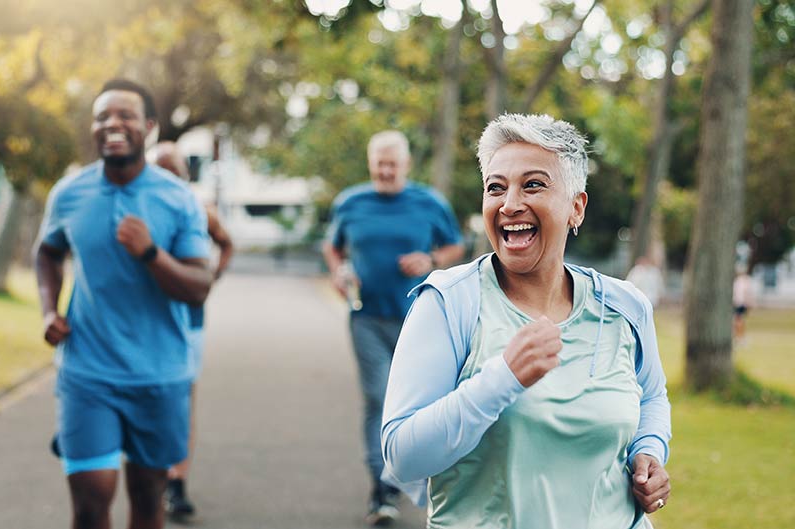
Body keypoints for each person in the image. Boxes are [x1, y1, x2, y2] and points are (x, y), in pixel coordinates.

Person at [381, 114, 672, 529]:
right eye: (495, 188)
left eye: (533, 184)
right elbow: (402, 456)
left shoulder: (625, 306)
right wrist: (502, 378)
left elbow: (651, 398)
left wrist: (649, 451)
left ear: (576, 207)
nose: (510, 203)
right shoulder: (450, 302)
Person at [34, 79, 213, 529]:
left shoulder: (177, 200)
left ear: (148, 127)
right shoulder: (69, 194)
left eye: (125, 115)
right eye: (102, 117)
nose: (113, 124)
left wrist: (151, 254)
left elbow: (198, 285)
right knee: (92, 501)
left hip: (159, 375)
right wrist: (49, 309)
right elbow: (48, 251)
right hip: (87, 373)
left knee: (148, 498)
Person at [322, 130, 465, 525]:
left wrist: (430, 259)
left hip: (418, 320)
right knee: (379, 396)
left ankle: (420, 475)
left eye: (392, 164)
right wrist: (338, 272)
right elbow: (332, 246)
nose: (385, 171)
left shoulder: (429, 203)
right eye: (379, 164)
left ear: (405, 165)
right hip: (366, 317)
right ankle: (382, 487)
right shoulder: (350, 202)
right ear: (371, 164)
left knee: (424, 399)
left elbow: (455, 246)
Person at [147, 141, 234, 520]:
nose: (168, 177)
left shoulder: (199, 207)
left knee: (182, 400)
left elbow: (227, 243)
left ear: (185, 174)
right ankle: (151, 476)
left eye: (174, 171)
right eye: (160, 170)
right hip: (145, 320)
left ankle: (176, 482)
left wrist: (211, 278)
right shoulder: (141, 207)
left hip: (188, 321)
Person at [732, 265, 755, 345]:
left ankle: (740, 337)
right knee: (737, 320)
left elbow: (748, 293)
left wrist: (749, 303)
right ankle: (738, 336)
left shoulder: (745, 281)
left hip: (741, 303)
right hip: (737, 303)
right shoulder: (737, 281)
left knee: (739, 320)